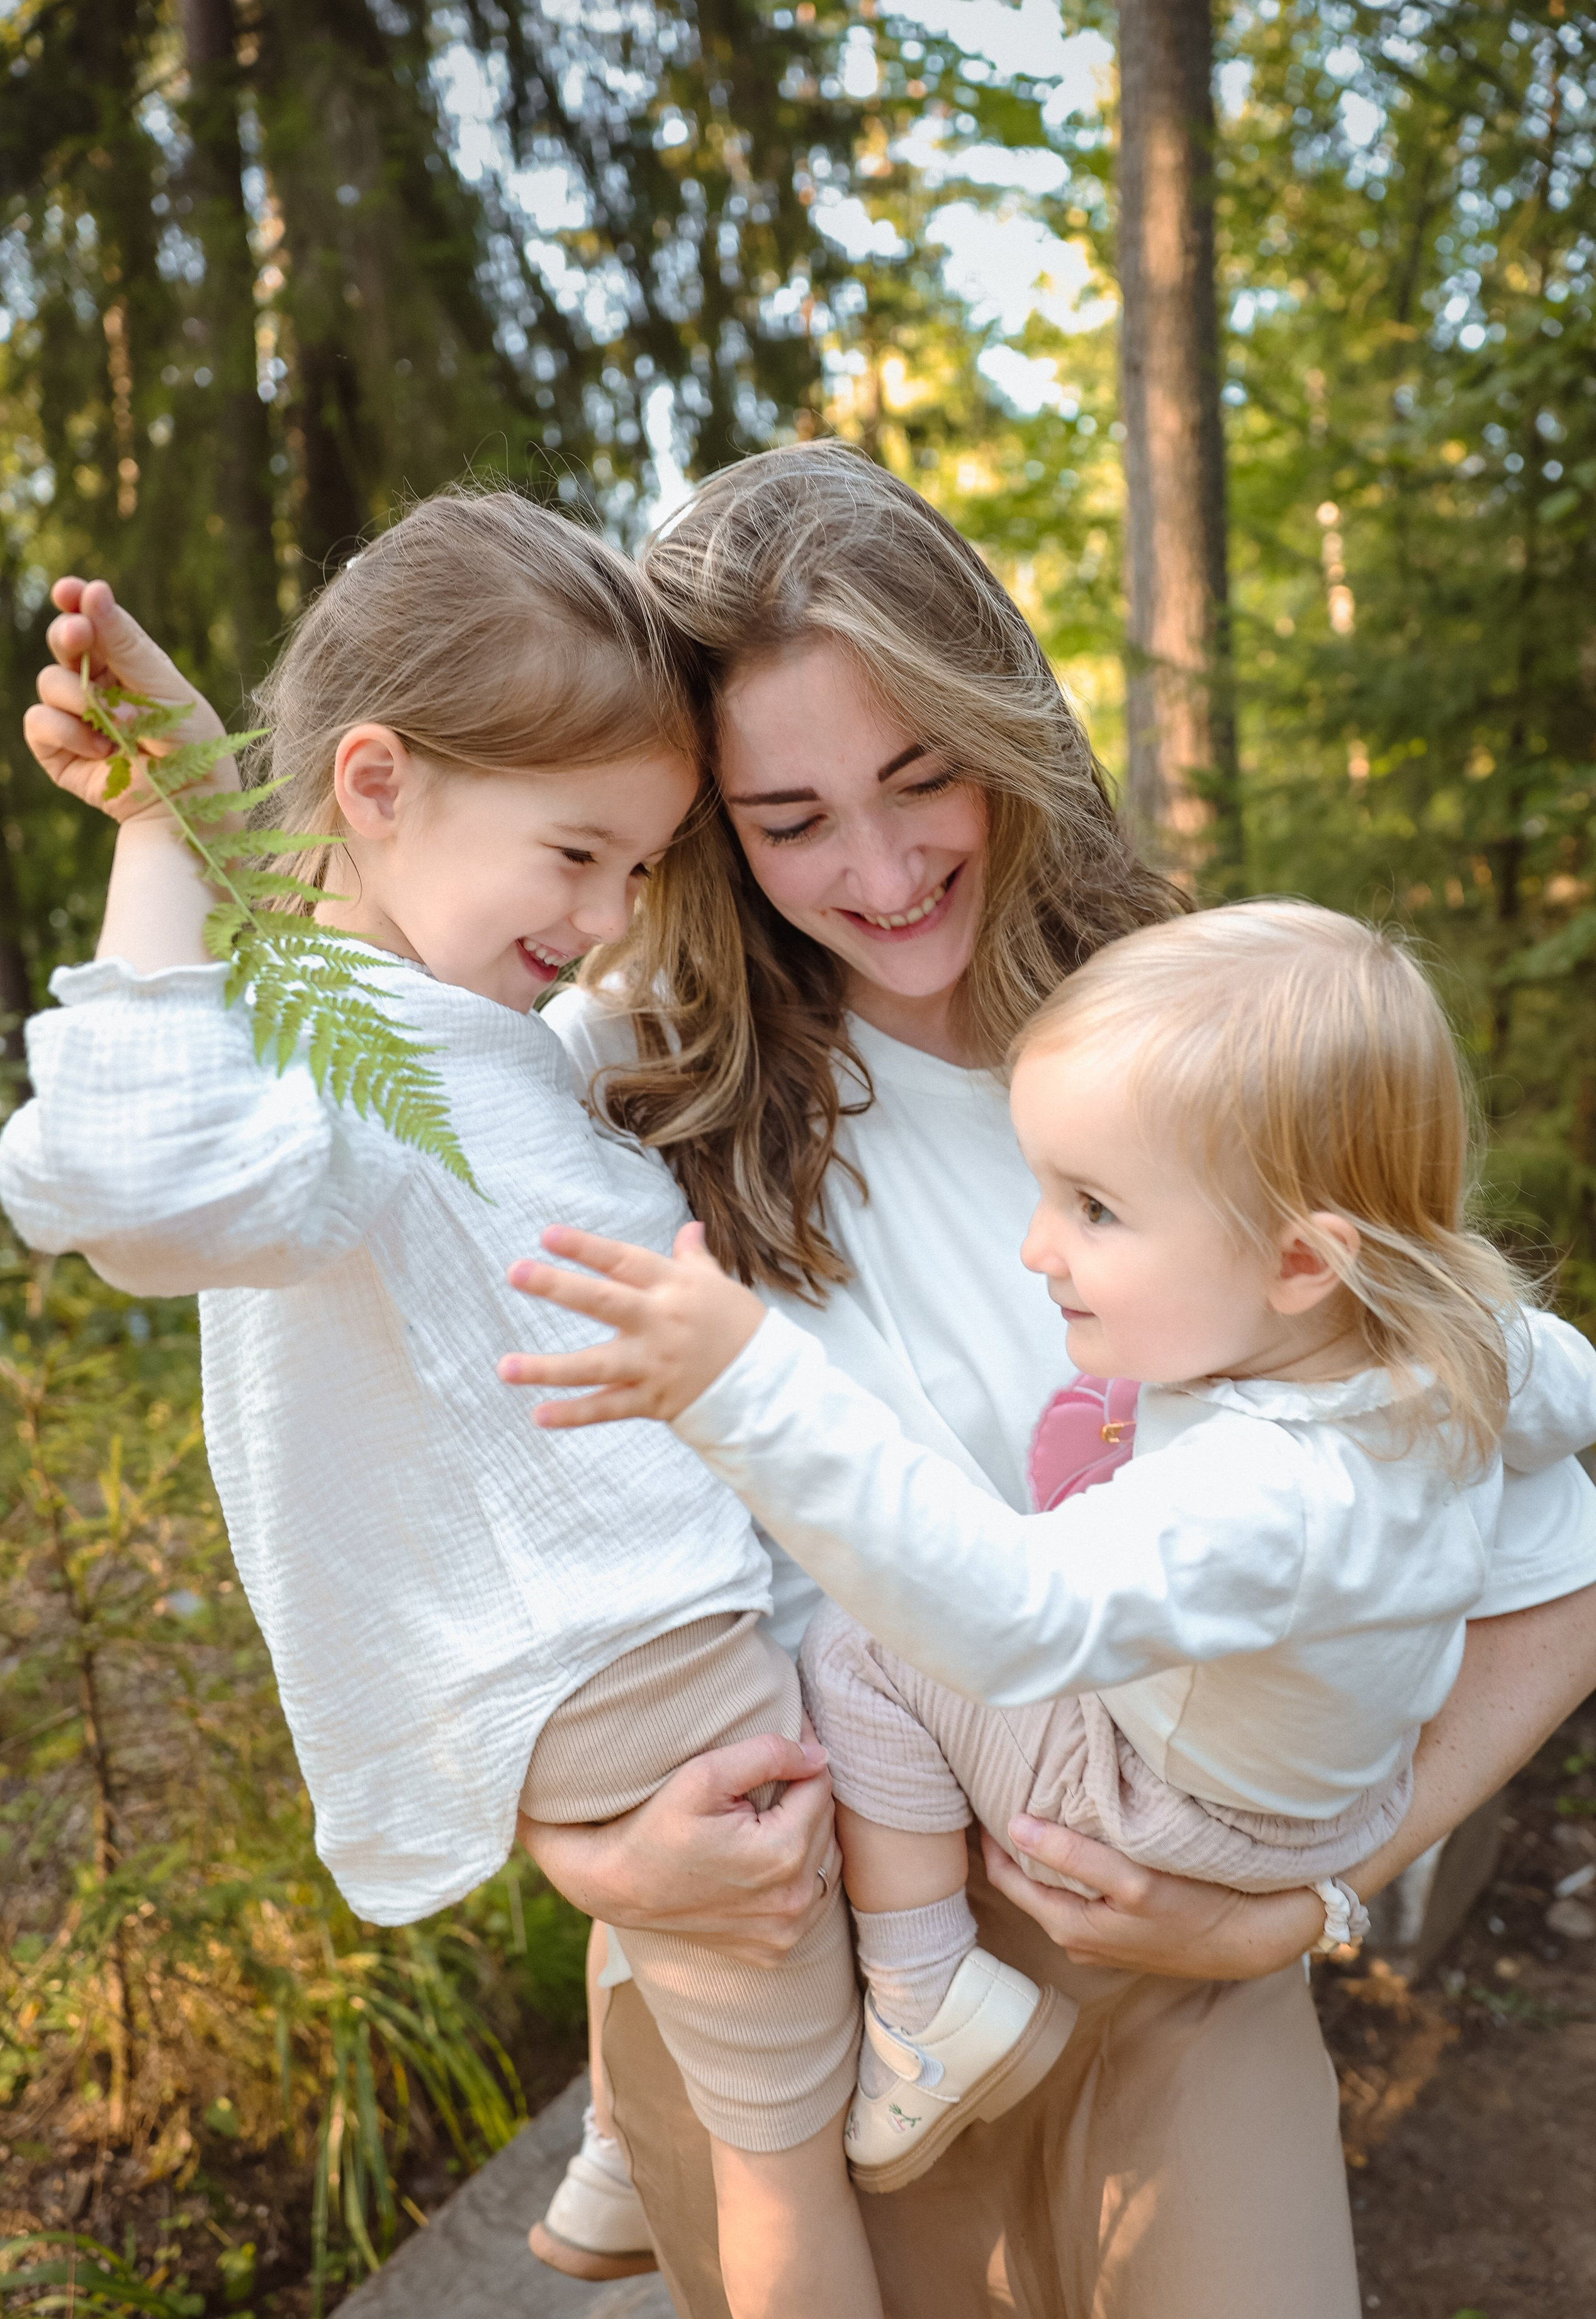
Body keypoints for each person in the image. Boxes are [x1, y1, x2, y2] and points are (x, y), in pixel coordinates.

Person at [519, 443, 1596, 2317]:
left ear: (1003, 717)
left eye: (921, 774)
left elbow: (1544, 1539)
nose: (881, 866)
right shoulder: (609, 1079)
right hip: (814, 1989)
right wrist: (572, 1840)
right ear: (704, 828)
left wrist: (1307, 1892)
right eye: (790, 818)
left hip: (1176, 1951)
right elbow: (429, 1491)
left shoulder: (1189, 1040)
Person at [0, 495, 894, 2319]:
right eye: (579, 854)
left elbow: (337, 911)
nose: (612, 915)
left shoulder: (408, 1021)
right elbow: (125, 1170)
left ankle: (618, 2166)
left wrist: (212, 778)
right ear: (384, 783)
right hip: (639, 1662)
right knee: (798, 2137)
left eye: (641, 866)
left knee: (737, 2061)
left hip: (650, 1638)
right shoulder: (324, 1086)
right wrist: (170, 820)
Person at [503, 900, 1596, 2193]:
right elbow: (1566, 1384)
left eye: (1090, 1210)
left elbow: (1006, 1618)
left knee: (861, 1657)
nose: (1037, 1247)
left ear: (1301, 1259)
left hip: (1174, 1811)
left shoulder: (1272, 1493)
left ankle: (920, 2004)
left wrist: (743, 1386)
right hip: (1338, 1785)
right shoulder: (1453, 1328)